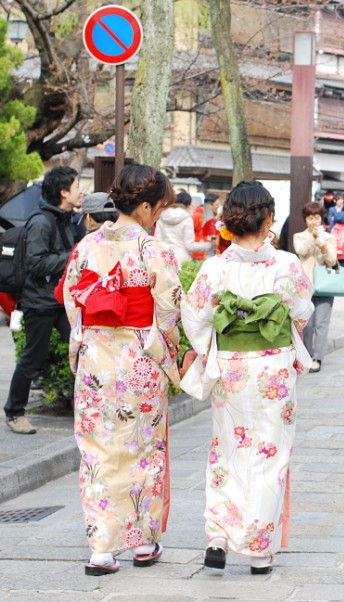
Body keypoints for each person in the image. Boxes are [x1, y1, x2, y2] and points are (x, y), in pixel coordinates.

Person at [181, 181, 314, 575]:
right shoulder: (286, 265)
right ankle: (258, 550)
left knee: (227, 451)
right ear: (269, 218)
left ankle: (218, 535)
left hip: (232, 370)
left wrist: (213, 347)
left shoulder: (215, 267)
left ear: (230, 222)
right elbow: (302, 312)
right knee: (269, 454)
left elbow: (195, 317)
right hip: (272, 366)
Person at [61, 164, 182, 575]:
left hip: (96, 359)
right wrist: (172, 356)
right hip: (138, 363)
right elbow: (169, 312)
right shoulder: (154, 251)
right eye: (159, 207)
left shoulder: (86, 247)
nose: (160, 214)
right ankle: (144, 543)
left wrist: (82, 347)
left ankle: (101, 549)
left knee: (97, 451)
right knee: (144, 451)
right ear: (145, 206)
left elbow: (72, 302)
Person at [4, 166, 81, 435]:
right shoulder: (41, 222)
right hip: (40, 301)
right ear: (63, 192)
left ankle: (86, 410)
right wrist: (72, 256)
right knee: (32, 359)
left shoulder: (63, 218)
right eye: (77, 185)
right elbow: (36, 263)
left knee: (81, 351)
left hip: (58, 299)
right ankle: (14, 413)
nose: (80, 190)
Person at [293, 203, 337, 373]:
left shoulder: (329, 237)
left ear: (321, 218)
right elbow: (302, 251)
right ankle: (308, 355)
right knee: (308, 324)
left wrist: (323, 244)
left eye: (316, 217)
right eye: (310, 218)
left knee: (322, 323)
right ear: (305, 219)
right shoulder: (299, 236)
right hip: (305, 285)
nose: (313, 221)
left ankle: (317, 358)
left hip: (325, 284)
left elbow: (332, 261)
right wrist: (313, 237)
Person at [155, 190, 212, 265]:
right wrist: (209, 245)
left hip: (164, 258)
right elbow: (190, 246)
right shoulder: (187, 219)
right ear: (188, 205)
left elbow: (157, 242)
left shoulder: (161, 217)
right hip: (182, 260)